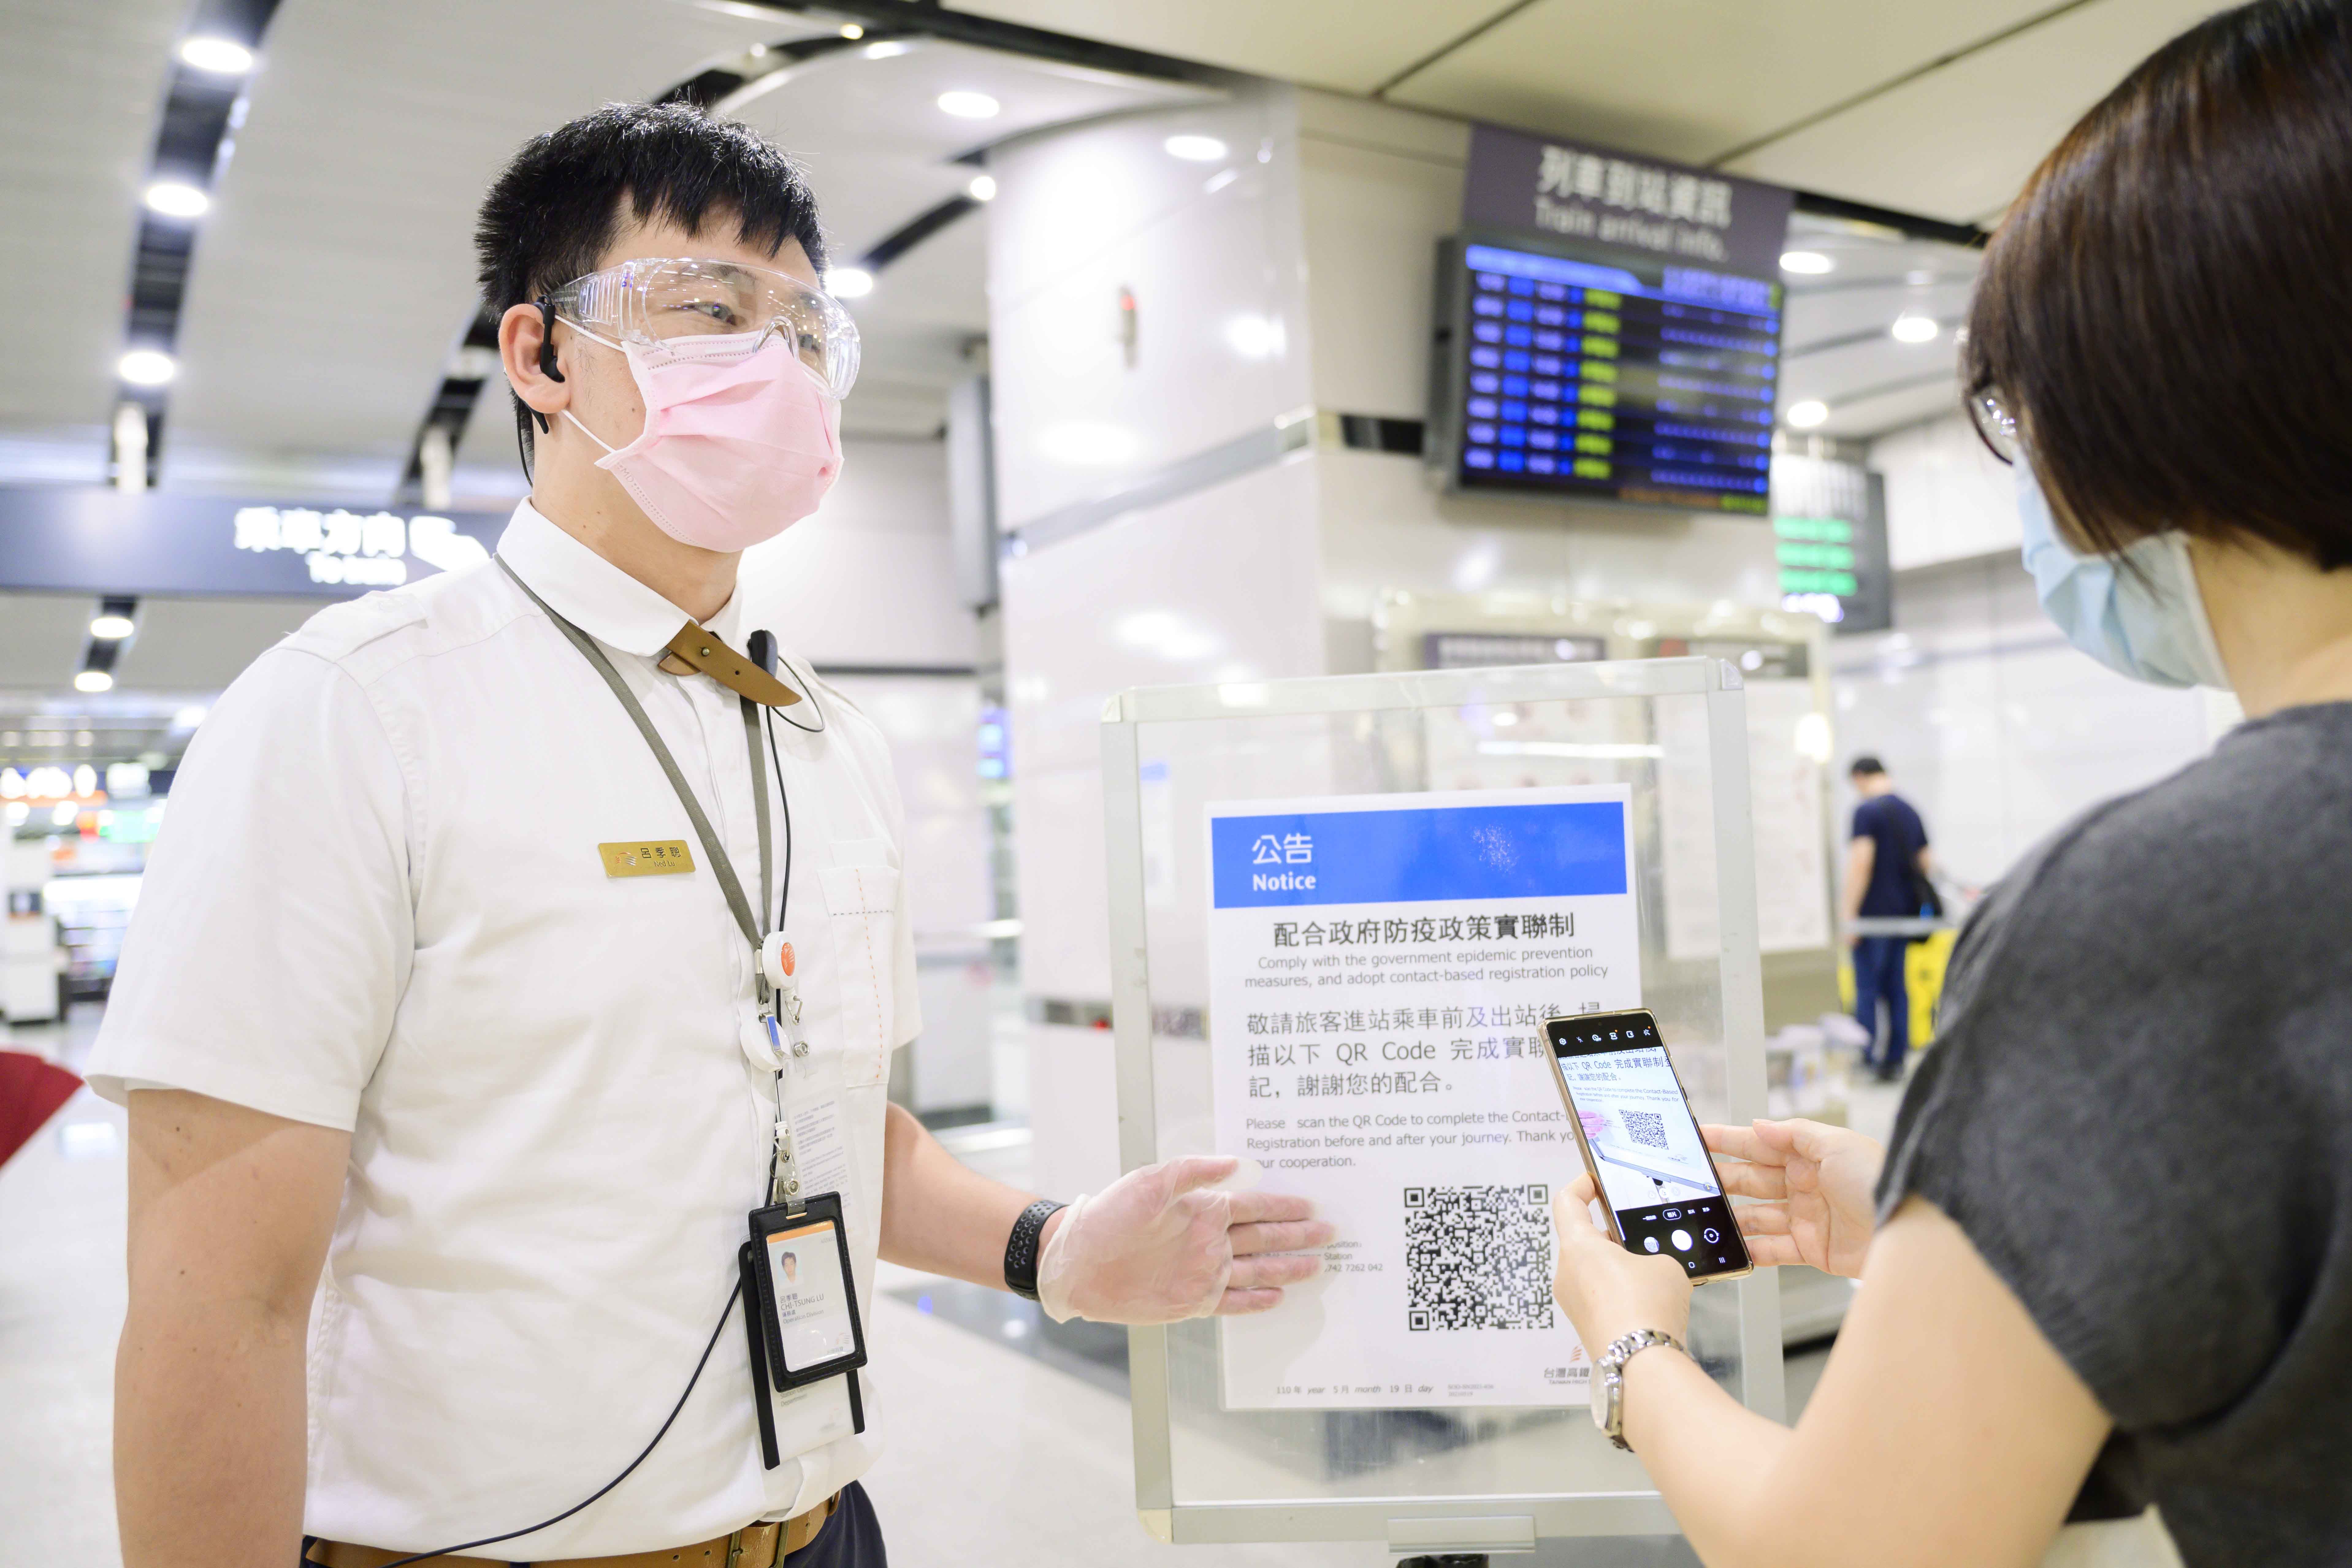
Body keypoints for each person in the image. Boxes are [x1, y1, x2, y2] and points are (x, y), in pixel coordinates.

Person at [94, 104, 1329, 1568]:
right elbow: (219, 1302)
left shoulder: (823, 732)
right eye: (712, 311)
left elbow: (834, 1123)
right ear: (543, 357)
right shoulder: (355, 712)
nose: (776, 366)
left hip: (824, 1532)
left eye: (805, 330)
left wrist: (1051, 1247)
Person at [1548, 2, 2352, 1562]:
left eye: (2019, 416)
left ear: (2137, 411)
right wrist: (1981, 1238)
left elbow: (1853, 1551)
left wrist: (1628, 1341)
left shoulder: (2151, 907)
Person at [1840, 756, 1934, 1081]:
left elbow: (1861, 863)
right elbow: (1926, 862)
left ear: (1859, 777)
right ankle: (1895, 1060)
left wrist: (1849, 914)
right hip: (1903, 918)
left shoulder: (1866, 812)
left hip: (1872, 919)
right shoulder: (1910, 811)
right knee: (1897, 989)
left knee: (1867, 989)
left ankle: (1866, 1058)